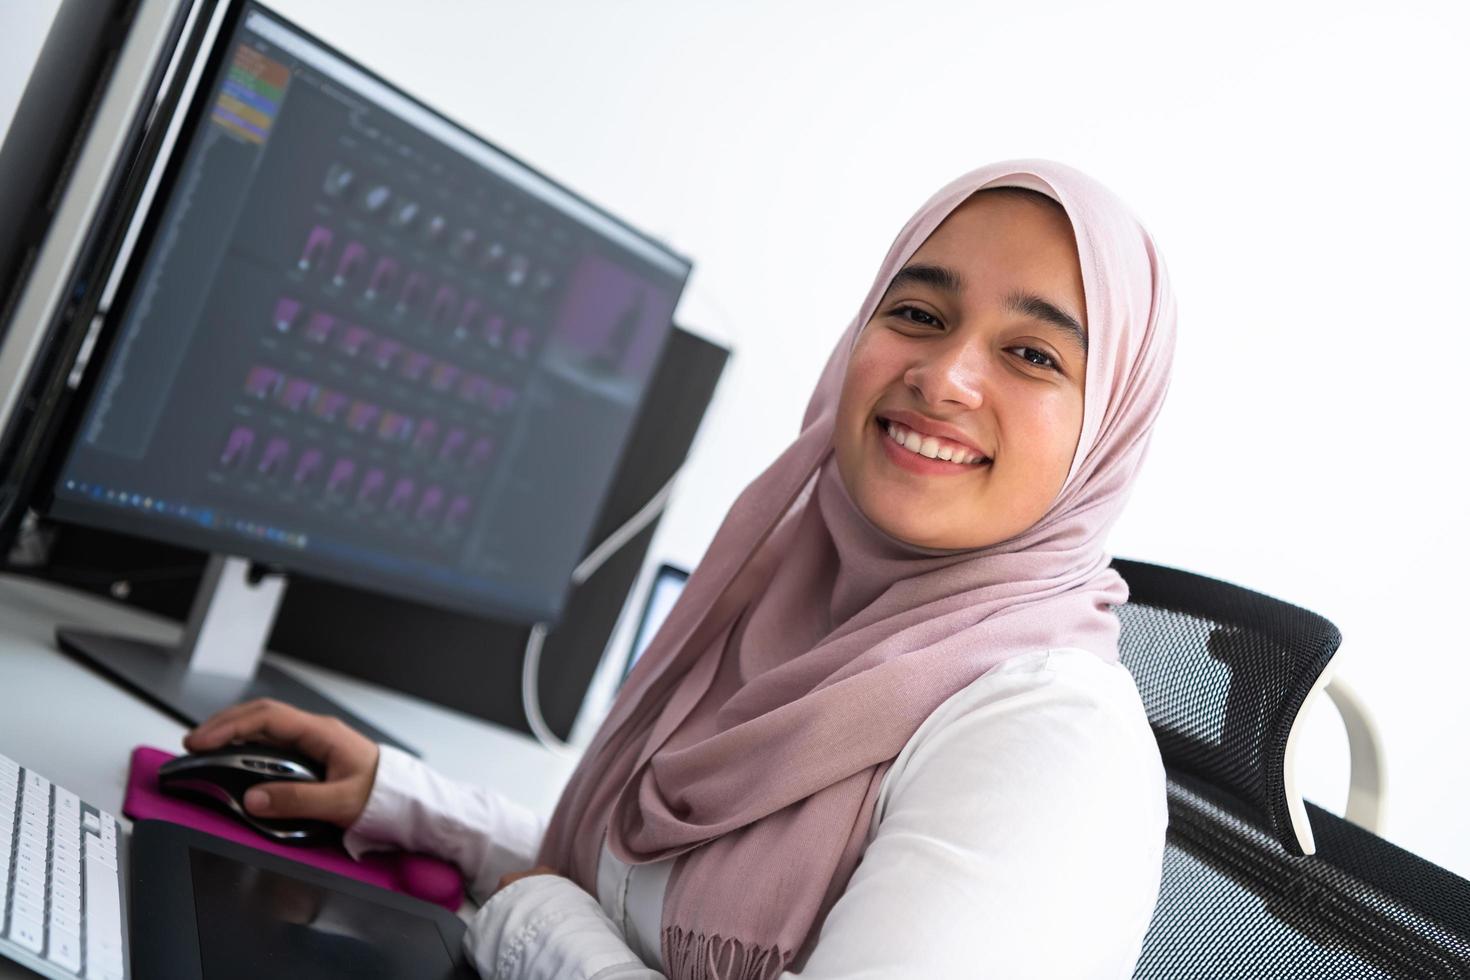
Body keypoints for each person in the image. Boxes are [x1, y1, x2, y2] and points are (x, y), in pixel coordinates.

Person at [185, 158, 1178, 978]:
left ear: (1109, 428)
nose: (946, 374)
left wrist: (531, 921)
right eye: (918, 312)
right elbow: (638, 896)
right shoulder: (783, 604)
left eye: (1034, 354)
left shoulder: (1052, 742)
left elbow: (573, 914)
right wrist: (413, 803)